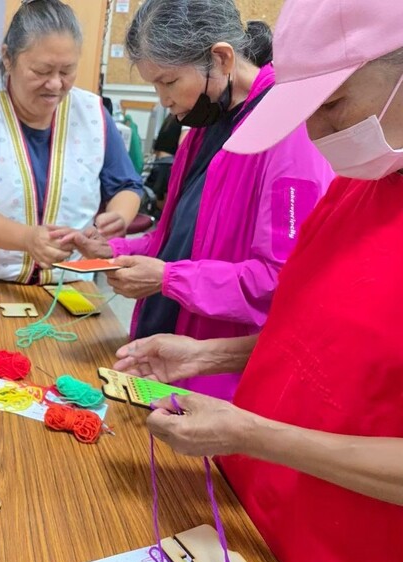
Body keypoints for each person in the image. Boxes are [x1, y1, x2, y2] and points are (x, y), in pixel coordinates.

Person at [119, 0, 403, 562]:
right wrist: (207, 357)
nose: (316, 132)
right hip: (249, 523)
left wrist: (252, 434)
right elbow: (309, 334)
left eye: (331, 105)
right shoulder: (357, 188)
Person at [70, 0, 333, 399]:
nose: (163, 100)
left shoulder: (288, 134)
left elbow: (278, 281)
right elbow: (181, 240)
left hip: (219, 376)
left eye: (169, 82)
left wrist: (167, 279)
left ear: (221, 57)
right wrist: (114, 250)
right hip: (166, 354)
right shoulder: (204, 125)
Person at [0, 0, 142, 284]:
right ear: (8, 58)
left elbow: (126, 185)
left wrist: (118, 216)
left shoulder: (93, 114)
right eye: (42, 71)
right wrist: (27, 238)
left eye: (67, 71)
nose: (56, 84)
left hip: (67, 284)